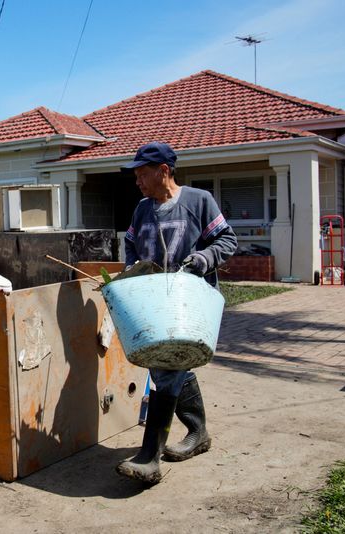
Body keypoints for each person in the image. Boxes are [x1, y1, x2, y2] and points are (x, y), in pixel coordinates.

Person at [116, 141, 237, 484]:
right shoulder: (142, 209)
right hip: (155, 301)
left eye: (142, 173)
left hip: (190, 300)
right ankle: (198, 433)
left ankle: (149, 457)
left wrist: (204, 258)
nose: (137, 181)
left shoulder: (198, 201)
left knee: (168, 365)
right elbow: (130, 242)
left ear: (164, 171)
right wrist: (132, 269)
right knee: (171, 361)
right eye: (136, 175)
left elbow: (226, 240)